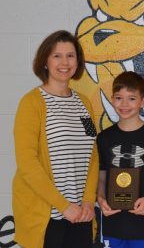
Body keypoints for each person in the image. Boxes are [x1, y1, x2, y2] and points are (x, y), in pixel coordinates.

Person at [13, 30, 99, 248]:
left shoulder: (84, 104)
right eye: (57, 56)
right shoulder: (31, 103)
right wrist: (63, 206)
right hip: (48, 216)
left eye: (70, 55)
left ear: (78, 62)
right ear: (45, 61)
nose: (64, 62)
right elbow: (27, 163)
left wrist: (89, 201)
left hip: (81, 215)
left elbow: (92, 155)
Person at [96, 71, 144, 248]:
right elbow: (101, 177)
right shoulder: (104, 138)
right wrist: (100, 199)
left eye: (131, 98)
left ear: (142, 101)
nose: (124, 104)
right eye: (119, 97)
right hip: (112, 224)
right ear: (112, 99)